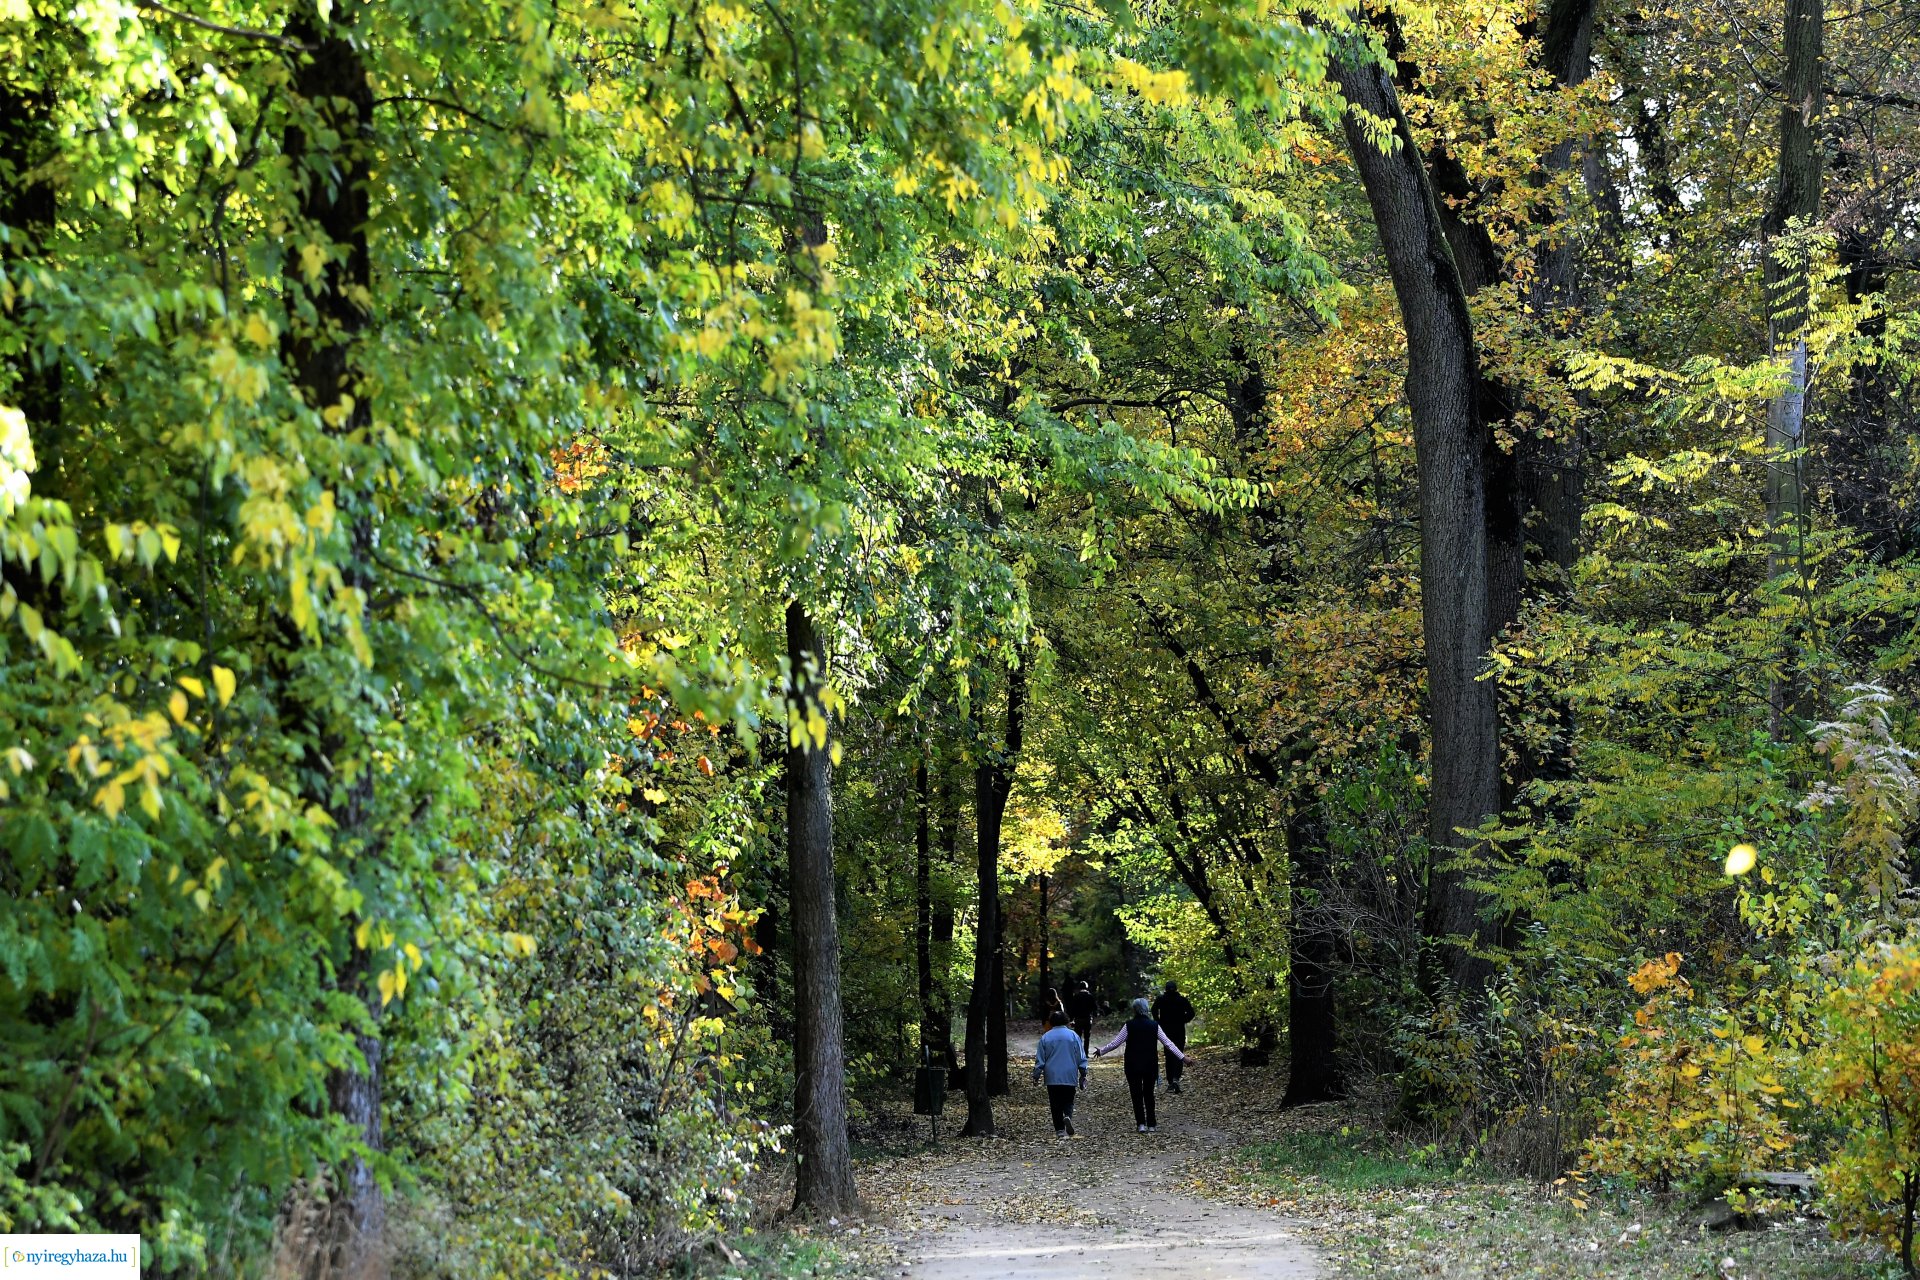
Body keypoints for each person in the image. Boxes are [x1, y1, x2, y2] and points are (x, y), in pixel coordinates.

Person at [1093, 997, 1187, 1132]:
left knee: (1136, 1094)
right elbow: (1168, 1044)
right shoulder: (1154, 1025)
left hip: (1132, 1065)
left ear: (1134, 1010)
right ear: (1146, 1009)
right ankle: (1152, 1124)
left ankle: (1141, 1124)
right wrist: (1183, 1058)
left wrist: (1101, 1051)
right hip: (1150, 1064)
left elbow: (1116, 1043)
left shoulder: (1129, 1025)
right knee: (1149, 1094)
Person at [1032, 1008, 1089, 1138]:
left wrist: (1036, 1075)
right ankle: (1067, 1116)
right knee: (1068, 1100)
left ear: (1051, 1021)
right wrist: (1083, 1072)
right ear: (1066, 1021)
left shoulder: (1046, 1037)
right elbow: (1081, 1056)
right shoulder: (1073, 1036)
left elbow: (1040, 1060)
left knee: (1055, 1102)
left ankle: (1059, 1130)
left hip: (1052, 1075)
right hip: (1069, 1073)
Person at [1152, 980, 1196, 1094]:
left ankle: (1171, 1081)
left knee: (1169, 1055)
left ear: (1166, 989)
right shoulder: (1182, 1000)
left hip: (1166, 1031)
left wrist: (1159, 1022)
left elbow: (1153, 1010)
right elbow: (1191, 1013)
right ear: (1176, 989)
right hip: (1179, 1030)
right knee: (1179, 1053)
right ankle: (1176, 1078)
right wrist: (1183, 1020)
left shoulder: (1161, 999)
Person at [1067, 980, 1097, 1052]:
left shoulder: (1076, 996)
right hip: (1087, 1018)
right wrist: (1093, 1015)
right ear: (1086, 987)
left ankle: (1078, 1052)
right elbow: (1094, 1007)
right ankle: (1086, 1052)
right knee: (1087, 1037)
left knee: (1078, 1037)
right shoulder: (1090, 996)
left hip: (1078, 1019)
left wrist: (1071, 1019)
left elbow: (1072, 1008)